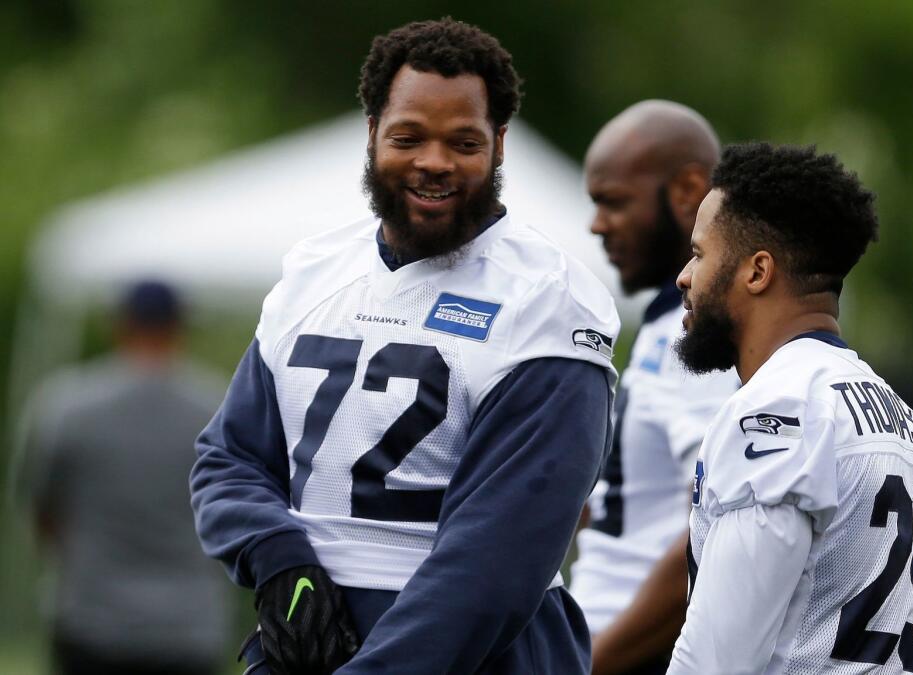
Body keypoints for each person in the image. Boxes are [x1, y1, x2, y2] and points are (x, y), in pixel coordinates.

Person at [189, 18, 620, 675]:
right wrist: (278, 554)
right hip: (311, 643)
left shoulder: (548, 301)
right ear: (371, 135)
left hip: (475, 654)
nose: (434, 162)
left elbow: (495, 562)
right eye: (409, 137)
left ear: (500, 145)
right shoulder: (315, 269)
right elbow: (229, 456)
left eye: (463, 141)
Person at [666, 142, 913, 674]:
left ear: (758, 272)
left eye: (700, 253)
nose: (685, 275)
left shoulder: (776, 409)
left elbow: (717, 659)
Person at [570, 100, 741, 675]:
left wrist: (594, 661)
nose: (597, 224)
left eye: (613, 201)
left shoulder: (701, 342)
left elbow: (718, 530)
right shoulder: (665, 323)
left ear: (687, 190)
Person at [17, 280, 230, 675]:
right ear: (179, 327)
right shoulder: (215, 407)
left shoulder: (66, 405)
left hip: (90, 619)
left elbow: (42, 510)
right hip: (186, 626)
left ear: (120, 324)